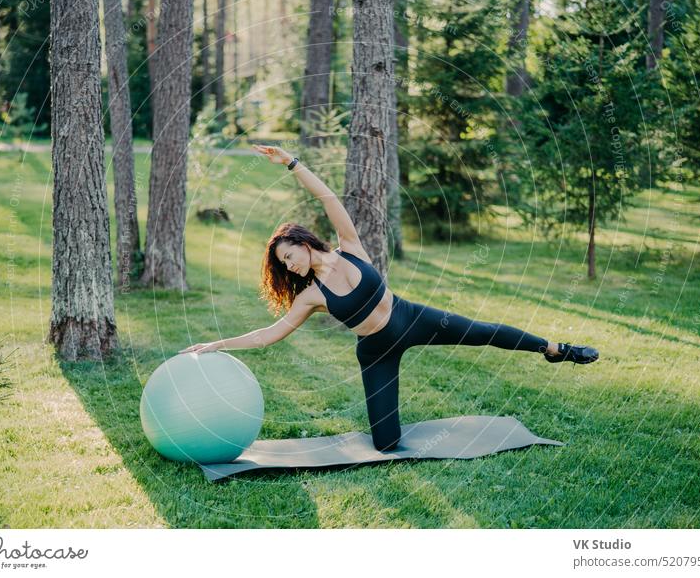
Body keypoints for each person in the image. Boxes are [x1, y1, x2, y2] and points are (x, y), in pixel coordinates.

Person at [179, 144, 599, 452]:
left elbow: (327, 198)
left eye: (290, 257)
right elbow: (269, 335)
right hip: (376, 349)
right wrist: (218, 344)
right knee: (386, 444)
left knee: (484, 332)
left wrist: (291, 163)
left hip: (409, 317)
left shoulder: (350, 247)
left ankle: (555, 349)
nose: (290, 267)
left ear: (303, 243)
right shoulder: (309, 296)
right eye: (284, 266)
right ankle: (388, 431)